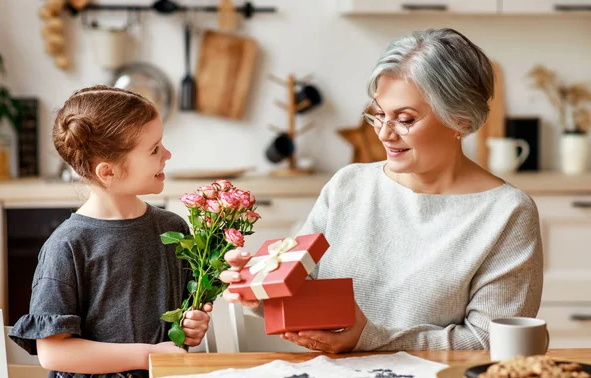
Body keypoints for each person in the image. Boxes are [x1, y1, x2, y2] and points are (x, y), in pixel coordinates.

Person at [217, 28, 543, 353]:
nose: (385, 133)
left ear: (460, 120)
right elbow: (305, 292)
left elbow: (488, 342)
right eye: (379, 114)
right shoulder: (348, 185)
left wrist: (369, 339)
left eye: (405, 119)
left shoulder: (506, 213)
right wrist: (260, 290)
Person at [9, 85, 212, 378]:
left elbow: (182, 327)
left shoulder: (173, 229)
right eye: (154, 149)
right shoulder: (67, 246)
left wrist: (194, 325)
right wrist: (149, 355)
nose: (167, 154)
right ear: (108, 172)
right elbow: (53, 353)